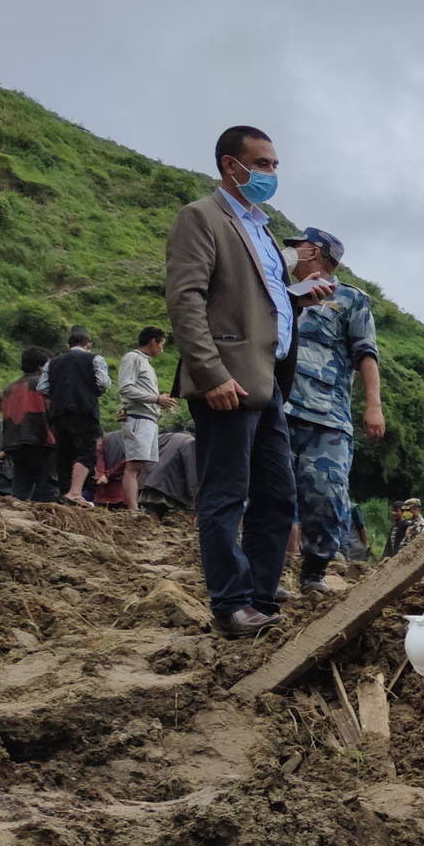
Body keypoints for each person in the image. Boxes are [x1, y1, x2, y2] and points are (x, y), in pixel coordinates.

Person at [165, 125, 331, 635]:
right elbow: (186, 299)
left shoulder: (261, 228)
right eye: (261, 164)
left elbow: (259, 300)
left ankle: (260, 597)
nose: (270, 174)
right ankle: (231, 604)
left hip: (269, 385)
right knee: (226, 494)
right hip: (228, 384)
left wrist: (297, 300)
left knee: (278, 495)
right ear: (228, 166)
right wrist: (210, 372)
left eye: (275, 165)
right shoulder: (201, 217)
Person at [280, 228, 383, 595]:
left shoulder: (351, 300)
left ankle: (314, 573)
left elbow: (366, 355)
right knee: (271, 496)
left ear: (316, 252)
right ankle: (268, 576)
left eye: (296, 247)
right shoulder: (275, 292)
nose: (289, 252)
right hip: (278, 410)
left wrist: (374, 407)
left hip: (328, 417)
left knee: (326, 495)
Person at [112, 328, 177, 514]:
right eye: (162, 345)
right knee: (133, 465)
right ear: (153, 342)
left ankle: (136, 505)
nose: (162, 350)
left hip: (148, 418)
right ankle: (133, 508)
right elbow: (125, 388)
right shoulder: (133, 358)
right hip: (138, 418)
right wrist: (156, 399)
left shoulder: (145, 363)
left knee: (143, 465)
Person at [45, 327, 110, 506]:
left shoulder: (53, 362)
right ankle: (75, 493)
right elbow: (103, 383)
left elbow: (42, 388)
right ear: (88, 344)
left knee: (65, 453)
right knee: (86, 452)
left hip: (59, 413)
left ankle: (64, 494)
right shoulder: (95, 359)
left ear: (68, 345)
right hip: (85, 410)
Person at [0, 347, 56, 502]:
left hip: (14, 443)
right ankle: (46, 521)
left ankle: (16, 517)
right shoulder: (43, 386)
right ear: (41, 366)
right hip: (41, 440)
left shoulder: (9, 389)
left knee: (21, 487)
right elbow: (52, 411)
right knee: (48, 486)